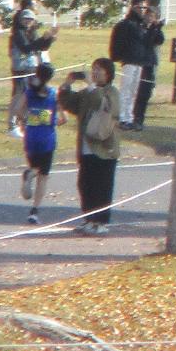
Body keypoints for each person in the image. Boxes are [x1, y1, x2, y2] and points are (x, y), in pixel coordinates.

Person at [59, 59, 124, 234]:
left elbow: (106, 107)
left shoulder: (112, 92)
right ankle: (89, 218)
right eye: (93, 69)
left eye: (99, 70)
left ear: (108, 74)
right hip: (86, 148)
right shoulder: (88, 92)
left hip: (105, 148)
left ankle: (101, 221)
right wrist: (67, 84)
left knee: (102, 186)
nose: (94, 73)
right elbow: (69, 103)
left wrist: (91, 86)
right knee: (85, 184)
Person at [109, 0, 163, 130]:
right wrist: (118, 56)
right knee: (126, 90)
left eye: (144, 7)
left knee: (134, 92)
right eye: (140, 7)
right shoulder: (127, 24)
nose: (142, 10)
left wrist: (156, 27)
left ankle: (130, 117)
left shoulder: (144, 25)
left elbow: (156, 41)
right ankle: (122, 118)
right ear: (133, 7)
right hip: (130, 61)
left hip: (141, 62)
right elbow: (118, 43)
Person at [18, 61, 63, 224]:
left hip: (31, 136)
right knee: (43, 176)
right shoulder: (53, 93)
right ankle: (34, 210)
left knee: (35, 166)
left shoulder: (29, 92)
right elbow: (62, 117)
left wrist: (24, 119)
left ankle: (31, 172)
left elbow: (19, 110)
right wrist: (55, 119)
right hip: (47, 138)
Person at [7, 0, 57, 124]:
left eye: (30, 19)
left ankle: (28, 120)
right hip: (20, 68)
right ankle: (12, 123)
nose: (28, 21)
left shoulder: (31, 31)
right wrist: (43, 39)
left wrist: (48, 39)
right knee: (19, 94)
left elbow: (40, 47)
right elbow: (26, 48)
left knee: (31, 93)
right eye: (26, 19)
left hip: (31, 66)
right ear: (20, 19)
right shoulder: (18, 33)